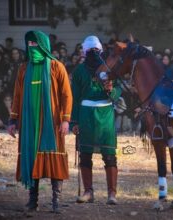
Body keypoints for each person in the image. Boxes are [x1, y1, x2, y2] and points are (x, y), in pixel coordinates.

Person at [7, 30, 72, 213]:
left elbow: (66, 95)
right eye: (29, 44)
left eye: (36, 44)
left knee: (53, 156)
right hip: (29, 123)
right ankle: (33, 201)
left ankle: (56, 201)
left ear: (44, 46)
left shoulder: (56, 67)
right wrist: (13, 119)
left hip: (52, 123)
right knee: (31, 157)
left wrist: (66, 120)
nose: (32, 47)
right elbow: (17, 95)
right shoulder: (24, 68)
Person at [71, 35, 122, 205]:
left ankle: (112, 194)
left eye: (96, 50)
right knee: (85, 155)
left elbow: (118, 90)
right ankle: (88, 192)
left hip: (105, 114)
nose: (93, 53)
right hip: (85, 115)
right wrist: (74, 122)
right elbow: (75, 98)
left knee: (109, 156)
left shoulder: (109, 68)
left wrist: (111, 91)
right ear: (85, 53)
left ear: (100, 51)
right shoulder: (79, 71)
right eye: (90, 50)